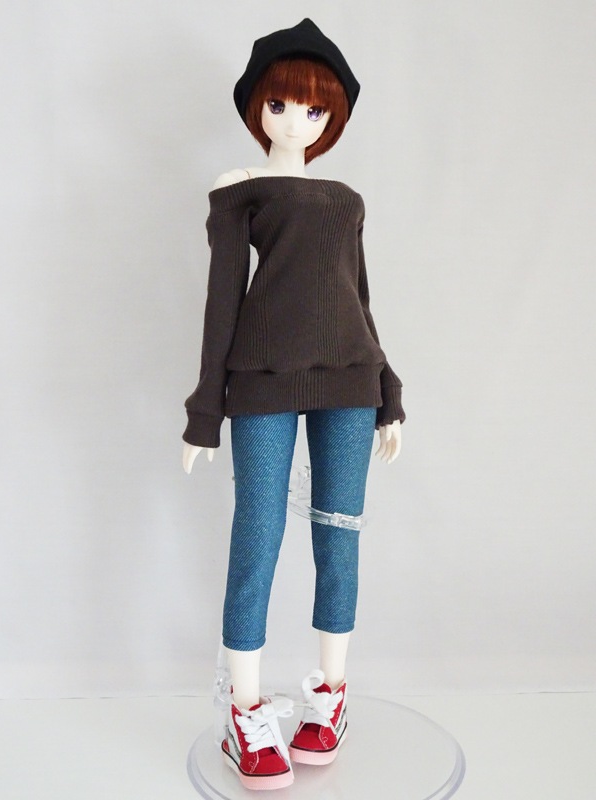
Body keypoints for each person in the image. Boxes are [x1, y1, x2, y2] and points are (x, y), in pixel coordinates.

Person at [182, 18, 406, 791]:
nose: (297, 121)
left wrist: (390, 393)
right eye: (282, 105)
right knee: (258, 535)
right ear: (258, 107)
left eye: (315, 110)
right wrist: (204, 410)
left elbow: (358, 299)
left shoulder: (347, 200)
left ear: (331, 119)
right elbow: (222, 303)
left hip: (351, 381)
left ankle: (331, 697)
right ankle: (243, 711)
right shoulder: (238, 189)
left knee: (338, 537)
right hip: (263, 380)